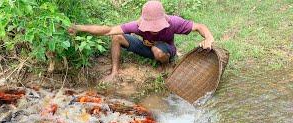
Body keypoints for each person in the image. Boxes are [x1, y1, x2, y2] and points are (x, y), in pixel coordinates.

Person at [68, 0, 214, 82]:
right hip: (146, 48)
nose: (154, 29)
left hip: (165, 50)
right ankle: (114, 72)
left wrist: (208, 38)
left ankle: (164, 67)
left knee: (157, 50)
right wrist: (80, 27)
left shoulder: (174, 22)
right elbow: (108, 30)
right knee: (117, 37)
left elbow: (200, 26)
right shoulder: (137, 25)